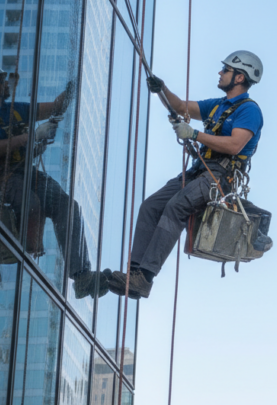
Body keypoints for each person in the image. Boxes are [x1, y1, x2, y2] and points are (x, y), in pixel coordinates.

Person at [107, 51, 265, 299]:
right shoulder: (218, 105)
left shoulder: (249, 111)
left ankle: (145, 277)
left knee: (176, 207)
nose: (220, 73)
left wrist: (194, 135)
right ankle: (134, 272)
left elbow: (235, 145)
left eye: (225, 70)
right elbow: (180, 107)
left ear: (239, 78)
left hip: (220, 176)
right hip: (199, 171)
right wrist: (162, 89)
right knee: (150, 206)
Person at [0, 64, 109, 298]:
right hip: (0, 179)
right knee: (30, 203)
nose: (5, 84)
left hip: (24, 173)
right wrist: (30, 137)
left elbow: (55, 107)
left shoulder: (15, 110)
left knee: (67, 206)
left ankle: (82, 276)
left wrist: (72, 87)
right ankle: (26, 247)